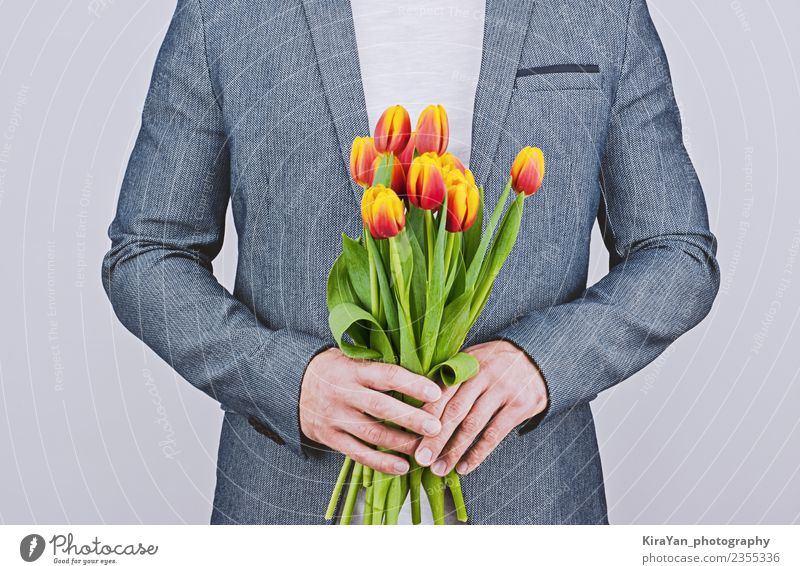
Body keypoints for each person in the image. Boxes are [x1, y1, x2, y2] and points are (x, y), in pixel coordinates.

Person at [102, 0, 719, 525]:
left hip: (532, 505)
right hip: (286, 507)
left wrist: (542, 362)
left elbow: (677, 252)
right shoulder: (227, 13)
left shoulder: (599, 11)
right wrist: (290, 381)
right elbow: (147, 252)